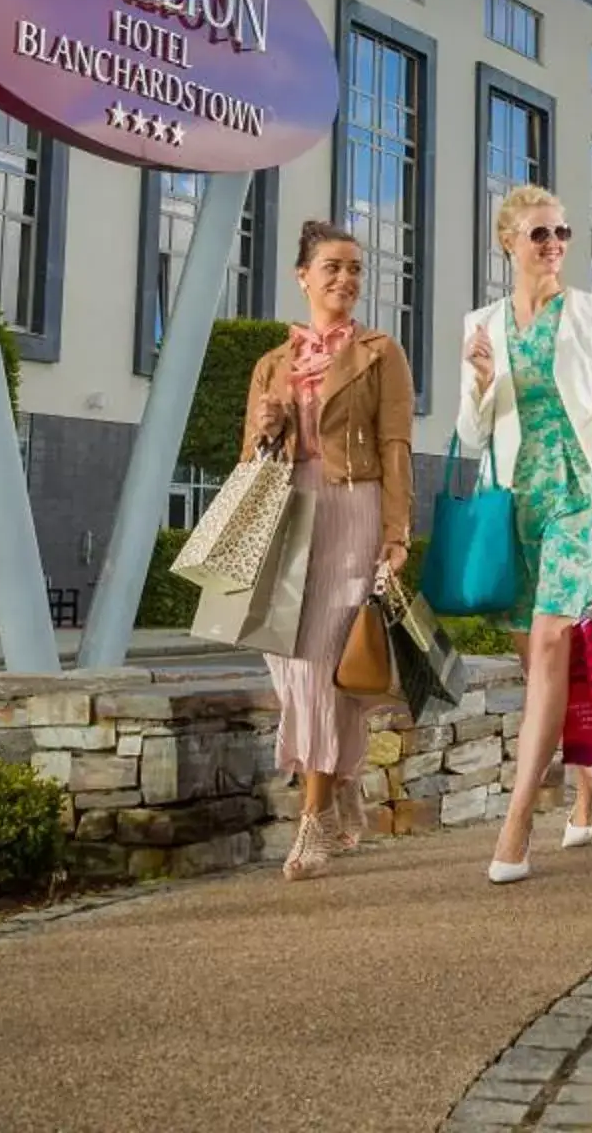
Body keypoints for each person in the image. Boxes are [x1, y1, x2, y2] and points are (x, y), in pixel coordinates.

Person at [455, 182, 592, 884]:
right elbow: (469, 434)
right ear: (508, 240)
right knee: (538, 656)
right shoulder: (480, 321)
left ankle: (517, 825)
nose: (554, 245)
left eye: (563, 233)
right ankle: (588, 771)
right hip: (514, 499)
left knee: (549, 638)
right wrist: (480, 380)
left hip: (581, 491)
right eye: (540, 234)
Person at [243, 220, 414, 883]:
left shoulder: (380, 353)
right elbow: (250, 462)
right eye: (332, 268)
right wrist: (269, 428)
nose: (345, 280)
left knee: (324, 664)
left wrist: (396, 534)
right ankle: (342, 781)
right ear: (303, 278)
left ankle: (310, 820)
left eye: (354, 269)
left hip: (353, 509)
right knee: (289, 660)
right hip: (287, 514)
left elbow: (396, 445)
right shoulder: (271, 365)